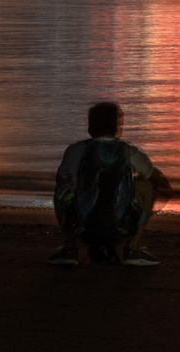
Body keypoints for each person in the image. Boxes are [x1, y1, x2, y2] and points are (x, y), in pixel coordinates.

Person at [50, 100, 171, 268]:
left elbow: (62, 184)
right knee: (146, 186)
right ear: (117, 128)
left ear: (90, 128)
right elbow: (162, 183)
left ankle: (70, 249)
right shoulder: (130, 152)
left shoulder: (75, 151)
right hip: (120, 228)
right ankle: (132, 250)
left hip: (82, 229)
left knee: (62, 188)